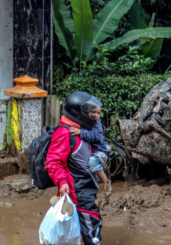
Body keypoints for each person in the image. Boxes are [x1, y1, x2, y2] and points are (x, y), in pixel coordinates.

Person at [45, 91, 104, 244]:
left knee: (84, 227)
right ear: (79, 113)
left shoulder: (82, 131)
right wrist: (62, 181)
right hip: (78, 191)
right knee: (91, 228)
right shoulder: (64, 133)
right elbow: (53, 162)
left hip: (86, 188)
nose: (95, 117)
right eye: (91, 113)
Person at [69, 103, 112, 195]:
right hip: (93, 153)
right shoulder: (84, 123)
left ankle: (106, 181)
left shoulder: (97, 124)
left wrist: (81, 132)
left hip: (100, 152)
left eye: (98, 113)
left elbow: (95, 136)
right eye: (93, 112)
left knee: (92, 163)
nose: (96, 115)